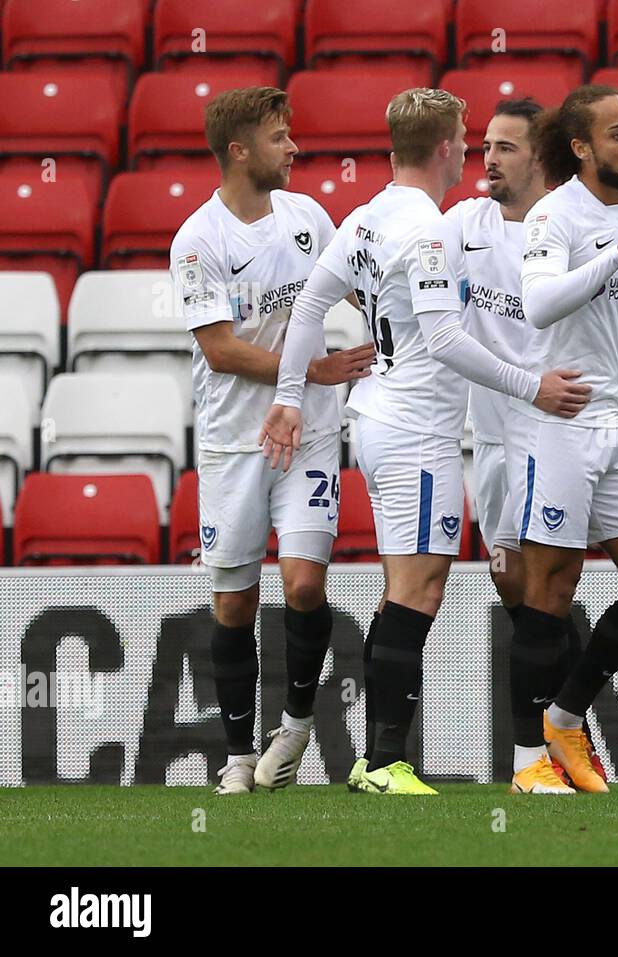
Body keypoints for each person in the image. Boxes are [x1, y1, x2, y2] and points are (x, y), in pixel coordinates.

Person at [260, 88, 588, 795]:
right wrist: (534, 387)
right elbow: (443, 340)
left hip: (374, 417)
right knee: (420, 587)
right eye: (469, 138)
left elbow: (313, 303)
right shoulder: (431, 231)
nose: (473, 150)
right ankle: (384, 763)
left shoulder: (367, 217)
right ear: (447, 147)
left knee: (398, 592)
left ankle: (373, 759)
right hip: (417, 429)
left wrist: (291, 396)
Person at [169, 86, 375, 795]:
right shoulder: (199, 240)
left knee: (306, 581)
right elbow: (221, 350)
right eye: (281, 137)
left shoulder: (309, 217)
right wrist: (309, 368)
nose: (295, 148)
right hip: (234, 440)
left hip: (311, 431)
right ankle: (234, 756)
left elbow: (359, 289)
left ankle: (292, 725)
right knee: (235, 602)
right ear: (239, 151)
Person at [510, 84, 618, 794]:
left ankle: (565, 714)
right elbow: (540, 302)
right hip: (562, 426)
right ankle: (528, 766)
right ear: (580, 147)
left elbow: (616, 322)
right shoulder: (556, 214)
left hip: (615, 420)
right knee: (550, 587)